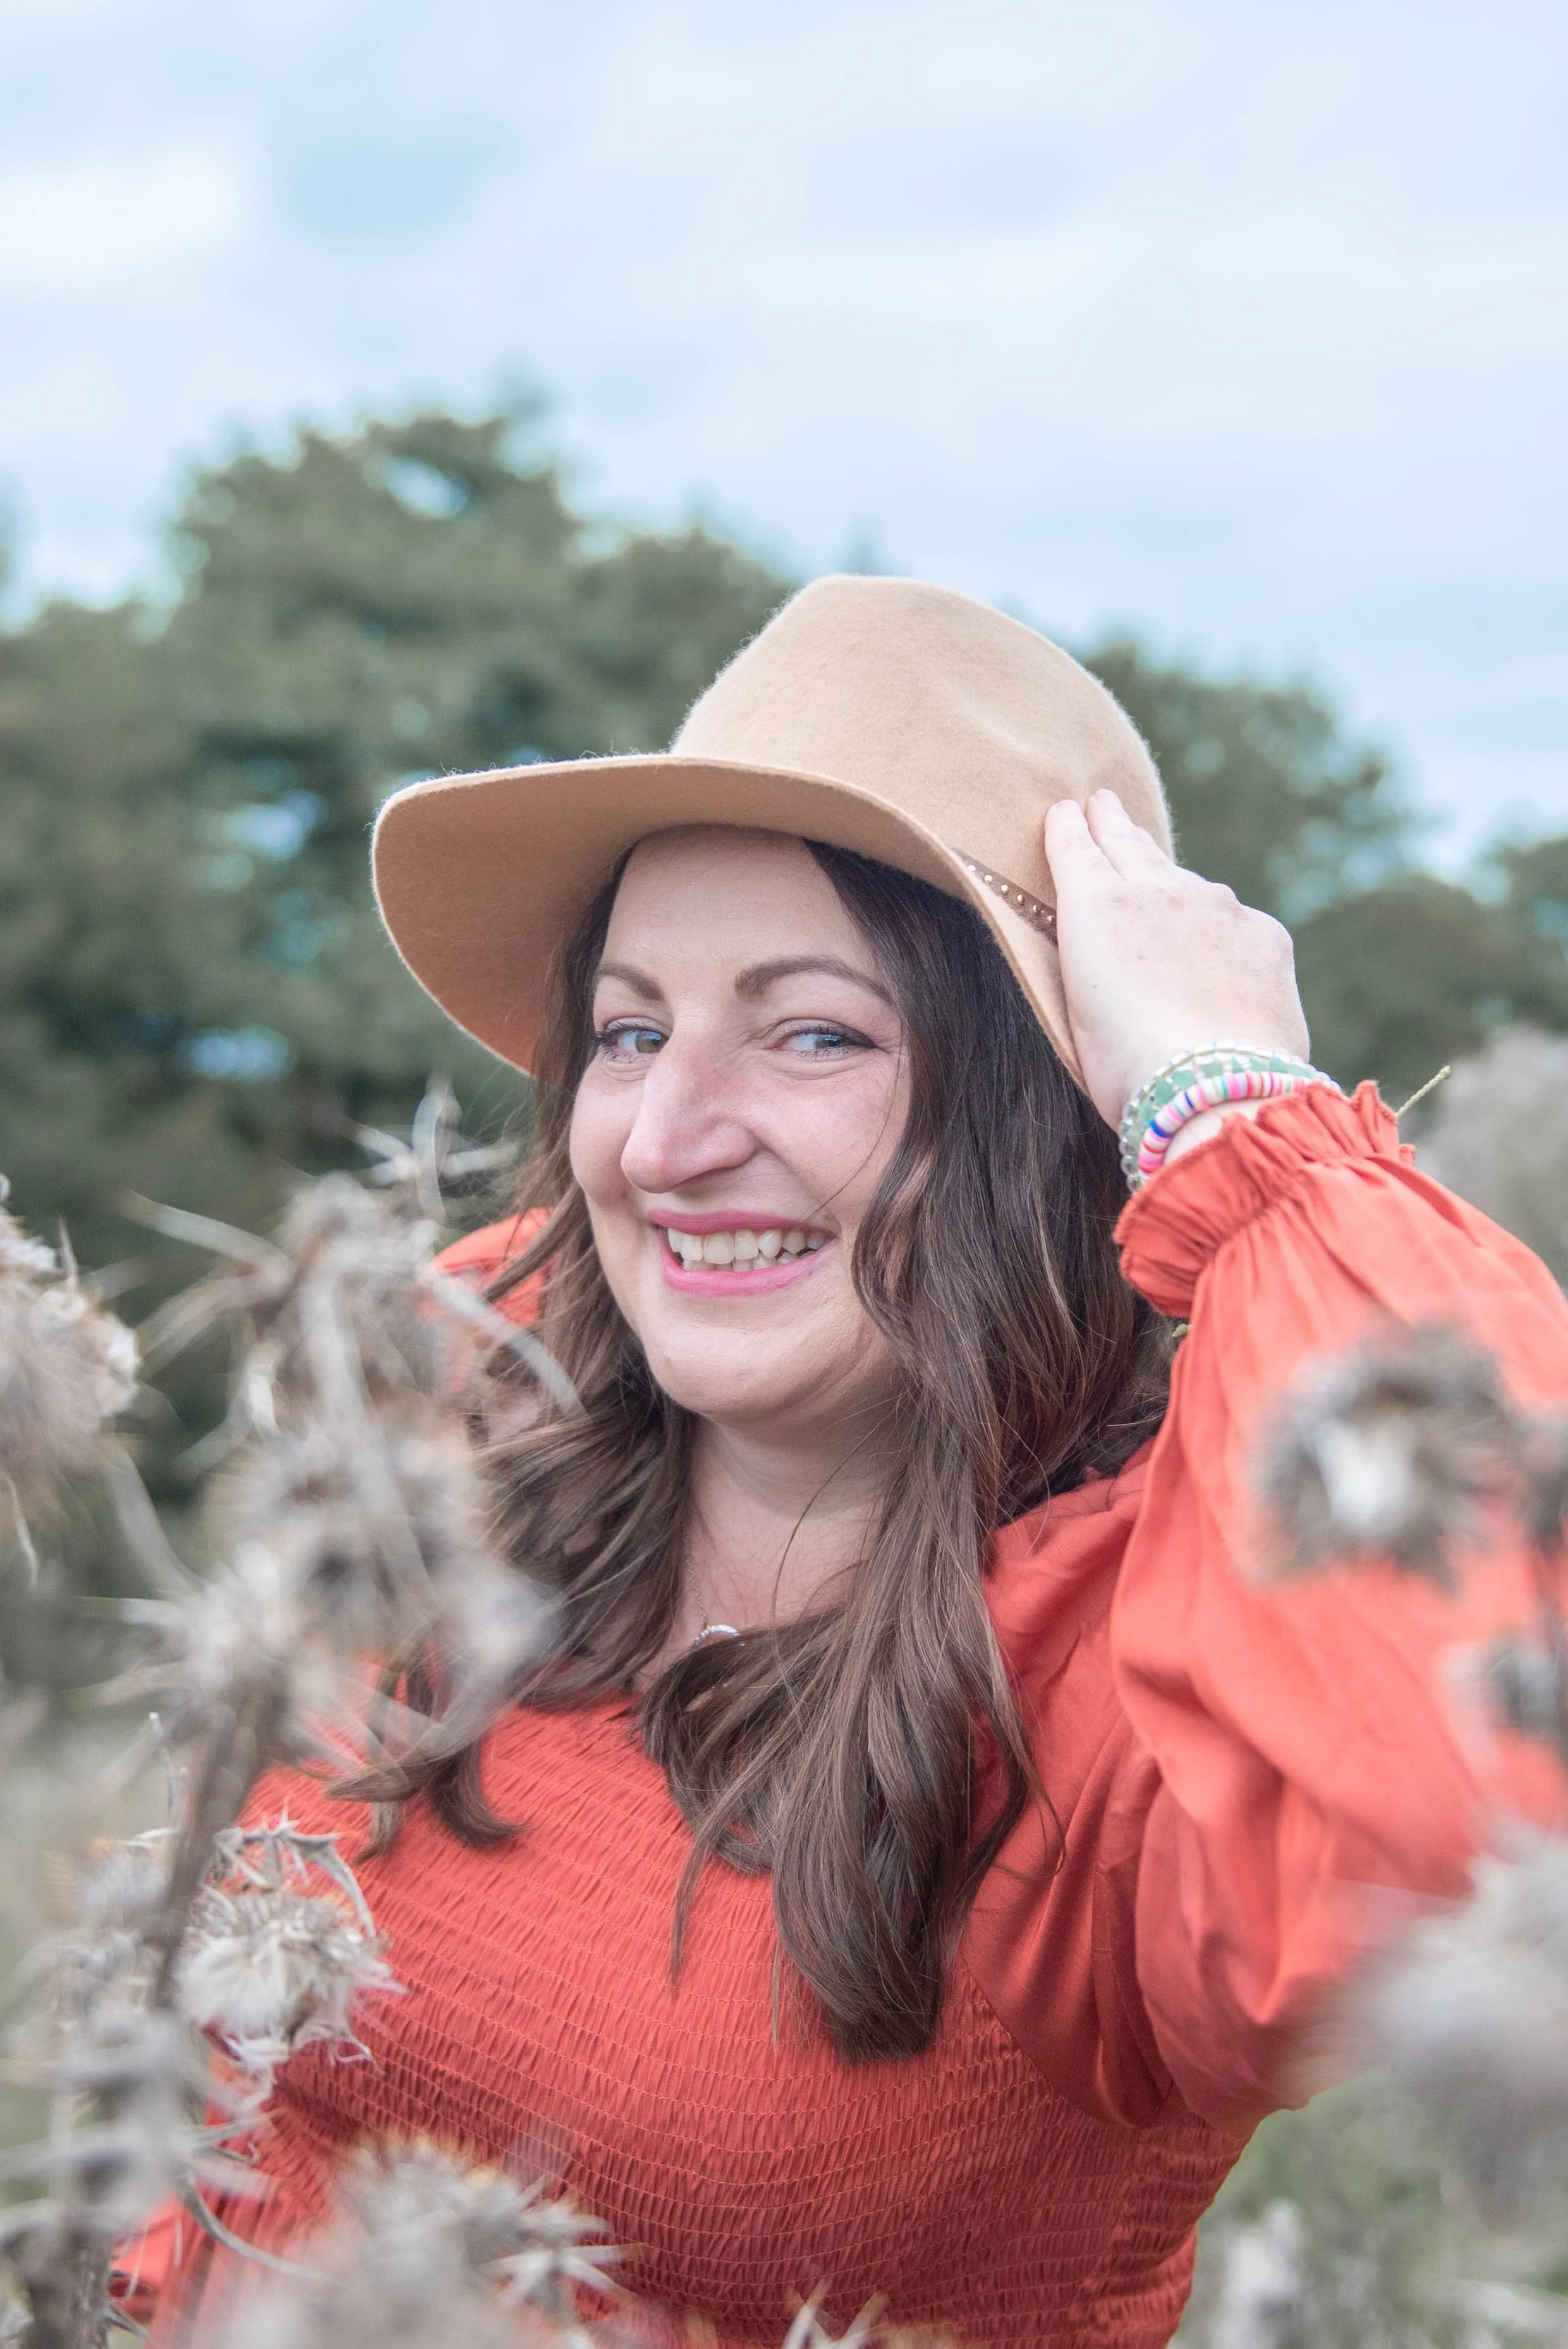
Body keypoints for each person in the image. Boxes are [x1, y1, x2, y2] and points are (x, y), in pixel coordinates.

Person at [130, 578, 1568, 2347]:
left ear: (1044, 1124)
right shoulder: (472, 1386)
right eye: (633, 1027)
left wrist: (1240, 1110)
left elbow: (1465, 1823)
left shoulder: (1133, 1686)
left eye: (815, 1030)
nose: (664, 1139)